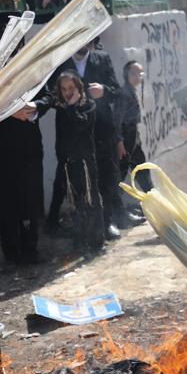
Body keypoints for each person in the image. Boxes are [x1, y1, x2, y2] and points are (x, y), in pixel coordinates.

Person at [48, 41, 132, 238]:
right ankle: (61, 223)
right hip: (70, 132)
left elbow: (115, 90)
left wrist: (104, 90)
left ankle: (107, 222)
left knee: (105, 177)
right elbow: (51, 93)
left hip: (100, 130)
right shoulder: (60, 61)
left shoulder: (101, 58)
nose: (83, 42)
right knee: (67, 178)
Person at [0, 12, 44, 264]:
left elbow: (48, 94)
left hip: (28, 145)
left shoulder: (33, 63)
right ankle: (11, 250)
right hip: (1, 146)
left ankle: (32, 247)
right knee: (7, 202)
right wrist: (11, 112)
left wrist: (36, 106)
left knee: (31, 198)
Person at [53, 72, 105, 253]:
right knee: (74, 202)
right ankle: (80, 240)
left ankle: (97, 239)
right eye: (64, 89)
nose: (67, 92)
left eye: (71, 88)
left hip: (85, 162)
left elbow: (80, 125)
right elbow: (60, 135)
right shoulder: (62, 108)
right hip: (68, 163)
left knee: (91, 199)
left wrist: (73, 106)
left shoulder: (88, 105)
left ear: (78, 88)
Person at [114, 61, 152, 192]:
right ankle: (112, 210)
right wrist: (119, 143)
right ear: (126, 75)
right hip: (125, 141)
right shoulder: (123, 94)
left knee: (144, 175)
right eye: (134, 73)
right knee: (118, 178)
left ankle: (152, 206)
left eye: (140, 73)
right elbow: (116, 120)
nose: (138, 76)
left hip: (134, 140)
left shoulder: (136, 92)